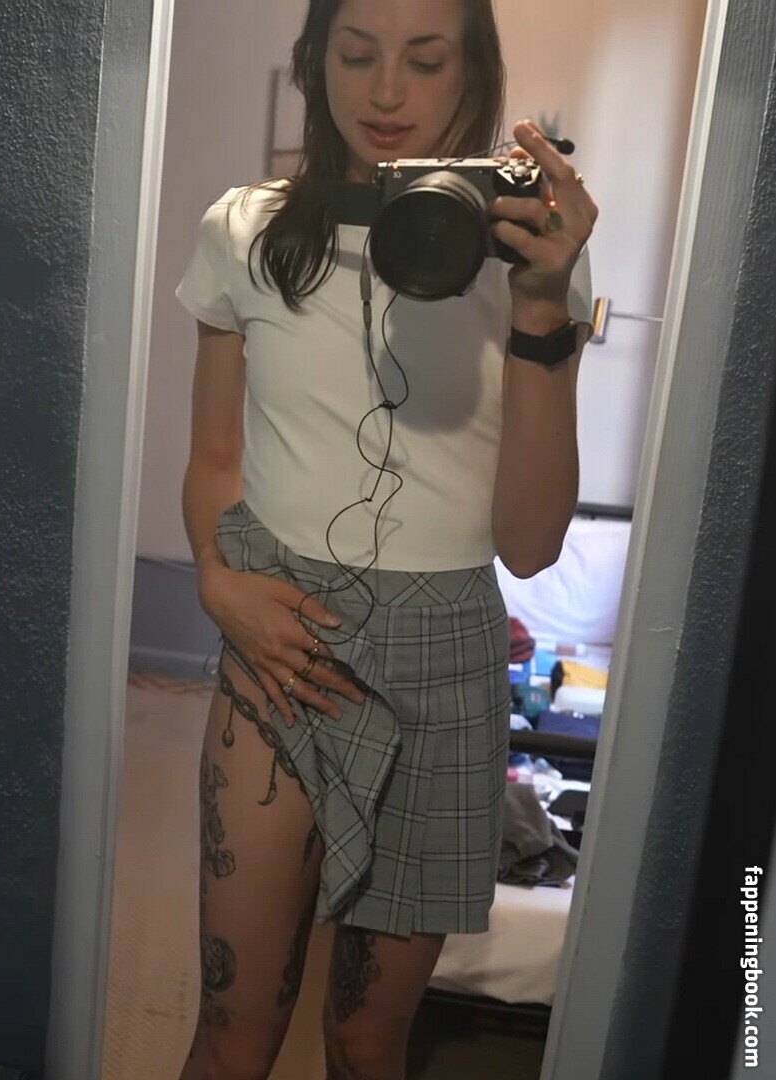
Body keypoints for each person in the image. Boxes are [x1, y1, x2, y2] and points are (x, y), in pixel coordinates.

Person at [174, 1, 598, 1077]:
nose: (386, 92)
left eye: (425, 59)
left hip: (444, 660)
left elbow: (530, 543)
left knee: (369, 1041)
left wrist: (541, 309)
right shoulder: (246, 228)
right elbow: (214, 457)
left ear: (474, 70)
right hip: (280, 639)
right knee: (232, 1033)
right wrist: (216, 579)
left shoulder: (531, 254)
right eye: (356, 55)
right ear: (315, 62)